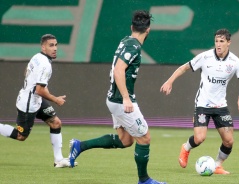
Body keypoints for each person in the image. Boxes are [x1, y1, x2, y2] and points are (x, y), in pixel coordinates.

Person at [69, 10, 166, 184]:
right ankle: (144, 180)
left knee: (126, 140)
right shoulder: (133, 46)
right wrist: (126, 98)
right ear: (148, 29)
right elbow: (118, 69)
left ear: (131, 27)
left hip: (114, 99)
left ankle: (80, 146)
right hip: (122, 101)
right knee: (144, 138)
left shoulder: (125, 40)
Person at [160, 29, 239, 174]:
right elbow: (184, 68)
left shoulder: (235, 62)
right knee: (200, 138)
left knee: (229, 141)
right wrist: (170, 81)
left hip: (221, 106)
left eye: (221, 41)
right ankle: (186, 148)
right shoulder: (205, 57)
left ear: (228, 43)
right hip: (203, 104)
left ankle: (218, 165)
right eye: (216, 41)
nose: (218, 44)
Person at [0, 34, 76, 168]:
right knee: (21, 136)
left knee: (56, 123)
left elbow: (27, 72)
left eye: (56, 45)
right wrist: (55, 99)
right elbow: (39, 90)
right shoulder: (45, 65)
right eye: (51, 45)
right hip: (28, 104)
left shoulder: (37, 57)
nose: (55, 48)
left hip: (36, 100)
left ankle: (58, 160)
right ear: (43, 47)